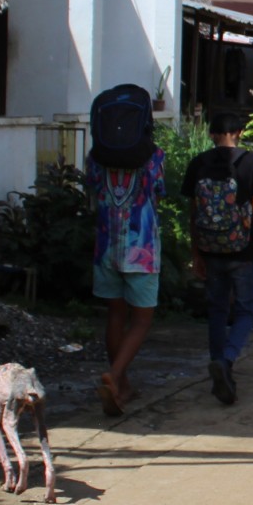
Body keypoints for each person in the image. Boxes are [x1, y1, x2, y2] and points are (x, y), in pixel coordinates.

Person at [183, 112, 253, 405]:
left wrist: (196, 252)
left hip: (210, 248)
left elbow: (194, 213)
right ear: (240, 131)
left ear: (212, 134)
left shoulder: (198, 164)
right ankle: (227, 360)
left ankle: (218, 365)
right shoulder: (252, 162)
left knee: (217, 311)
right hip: (242, 251)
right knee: (247, 310)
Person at [86, 134, 167, 417]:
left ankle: (122, 386)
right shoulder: (154, 156)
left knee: (116, 315)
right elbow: (158, 193)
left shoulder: (96, 156)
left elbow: (92, 192)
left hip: (106, 247)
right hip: (141, 249)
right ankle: (115, 374)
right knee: (142, 320)